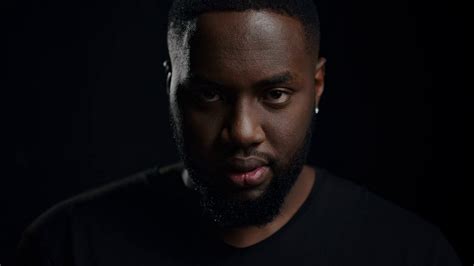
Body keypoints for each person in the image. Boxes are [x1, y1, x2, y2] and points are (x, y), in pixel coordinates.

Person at [17, 0, 462, 265]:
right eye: (209, 95)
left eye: (275, 94)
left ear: (318, 86)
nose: (242, 132)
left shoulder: (409, 254)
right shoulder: (67, 248)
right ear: (170, 88)